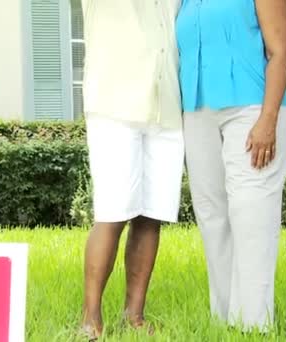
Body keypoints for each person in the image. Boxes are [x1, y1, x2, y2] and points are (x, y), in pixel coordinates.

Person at [176, 0, 286, 332]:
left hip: (252, 107)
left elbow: (283, 50)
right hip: (198, 108)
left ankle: (255, 324)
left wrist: (268, 119)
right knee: (212, 213)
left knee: (252, 212)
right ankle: (226, 320)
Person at [80, 0, 184, 339]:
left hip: (166, 105)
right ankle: (90, 317)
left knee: (152, 214)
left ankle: (133, 315)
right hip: (114, 105)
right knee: (112, 212)